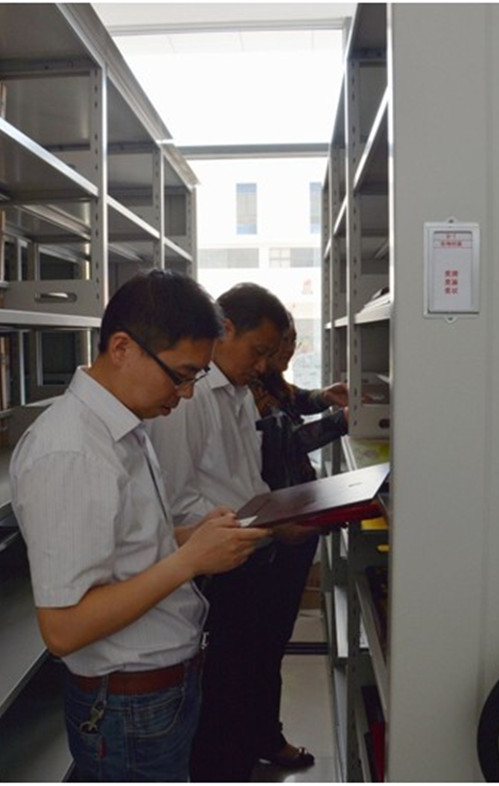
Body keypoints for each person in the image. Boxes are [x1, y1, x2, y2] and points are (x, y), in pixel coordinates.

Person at [9, 270, 267, 783]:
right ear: (122, 348)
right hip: (128, 707)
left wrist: (194, 539)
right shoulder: (72, 453)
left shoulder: (126, 425)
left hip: (159, 691)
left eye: (196, 377)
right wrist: (189, 561)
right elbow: (63, 629)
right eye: (181, 374)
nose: (187, 394)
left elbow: (124, 549)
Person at [149, 282, 313, 782]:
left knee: (248, 680)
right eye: (257, 350)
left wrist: (274, 516)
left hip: (250, 552)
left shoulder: (237, 391)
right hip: (220, 566)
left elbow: (245, 480)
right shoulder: (189, 399)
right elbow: (177, 505)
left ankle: (244, 758)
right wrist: (261, 526)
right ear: (224, 330)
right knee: (223, 695)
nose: (262, 365)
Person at [250, 312, 349, 768]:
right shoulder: (245, 387)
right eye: (280, 344)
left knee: (273, 640)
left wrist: (324, 397)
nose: (287, 352)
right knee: (266, 643)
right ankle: (264, 739)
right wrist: (341, 421)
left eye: (291, 342)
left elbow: (294, 401)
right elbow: (285, 444)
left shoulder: (270, 380)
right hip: (274, 531)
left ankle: (262, 735)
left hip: (293, 520)